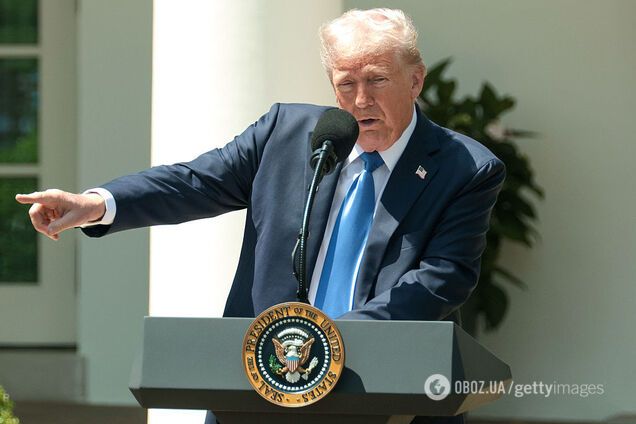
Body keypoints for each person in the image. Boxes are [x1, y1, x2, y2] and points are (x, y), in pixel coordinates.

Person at [16, 8, 504, 423]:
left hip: (385, 392)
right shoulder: (286, 134)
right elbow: (194, 181)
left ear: (415, 79)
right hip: (260, 389)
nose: (361, 100)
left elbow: (441, 279)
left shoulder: (466, 168)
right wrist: (98, 204)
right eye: (346, 83)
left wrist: (328, 345)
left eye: (376, 80)